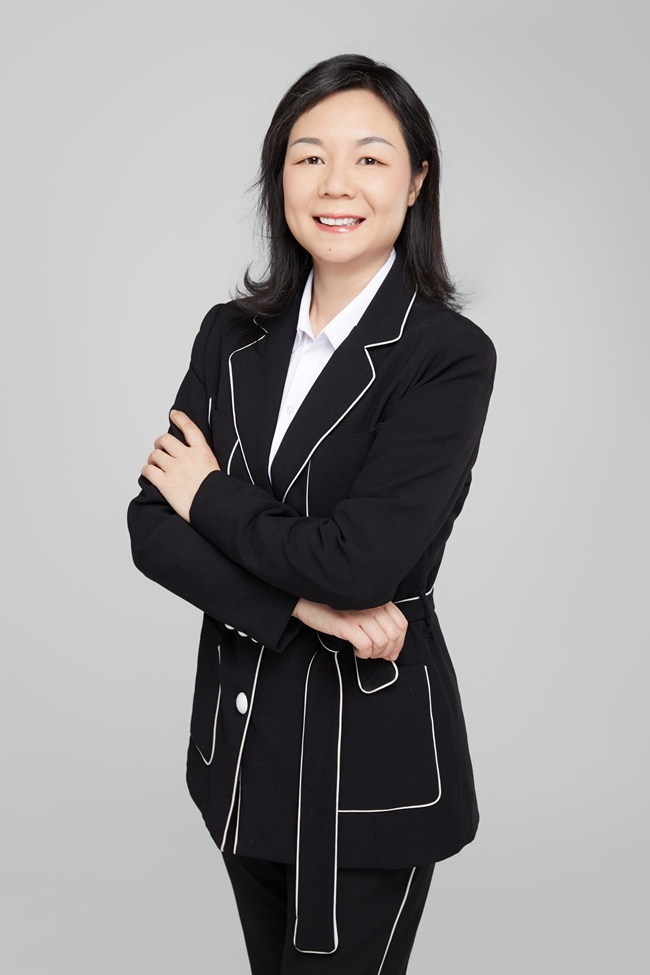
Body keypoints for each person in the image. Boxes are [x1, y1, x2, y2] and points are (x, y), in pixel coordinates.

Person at [127, 53, 496, 974]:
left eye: (370, 158)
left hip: (365, 767)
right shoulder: (231, 335)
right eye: (309, 157)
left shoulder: (447, 356)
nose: (336, 184)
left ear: (416, 181)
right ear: (279, 176)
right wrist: (302, 605)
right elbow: (150, 527)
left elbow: (357, 563)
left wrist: (208, 494)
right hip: (239, 748)